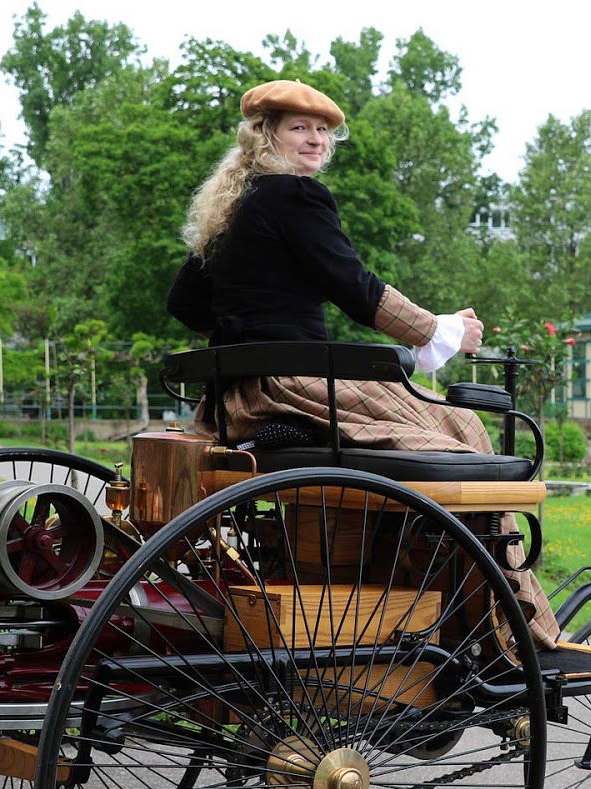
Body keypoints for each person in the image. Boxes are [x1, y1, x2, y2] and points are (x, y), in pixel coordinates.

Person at [166, 79, 561, 650]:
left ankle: (409, 588)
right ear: (265, 135)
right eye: (299, 128)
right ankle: (512, 627)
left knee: (435, 429)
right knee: (465, 428)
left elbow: (184, 303)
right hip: (295, 387)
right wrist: (442, 331)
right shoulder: (294, 197)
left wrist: (247, 332)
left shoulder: (233, 207)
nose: (315, 140)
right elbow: (357, 287)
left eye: (324, 130)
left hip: (237, 398)